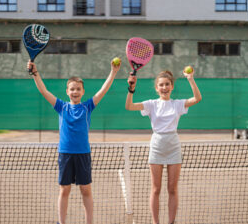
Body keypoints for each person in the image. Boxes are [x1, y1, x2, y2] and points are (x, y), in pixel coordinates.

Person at [27, 59, 121, 224]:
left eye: (78, 89)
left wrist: (113, 72)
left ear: (83, 91)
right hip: (65, 154)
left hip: (83, 154)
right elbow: (44, 91)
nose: (75, 91)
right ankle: (61, 222)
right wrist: (35, 73)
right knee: (64, 190)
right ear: (67, 91)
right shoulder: (61, 107)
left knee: (86, 190)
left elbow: (102, 90)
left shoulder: (88, 107)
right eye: (72, 89)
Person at [125, 68, 202, 224]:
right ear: (156, 88)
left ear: (172, 86)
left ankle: (171, 222)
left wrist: (190, 79)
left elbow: (197, 98)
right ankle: (156, 222)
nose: (164, 87)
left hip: (174, 146)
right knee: (156, 189)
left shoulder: (178, 104)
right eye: (161, 85)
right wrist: (131, 89)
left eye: (167, 84)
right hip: (157, 146)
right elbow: (129, 106)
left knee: (172, 189)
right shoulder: (151, 104)